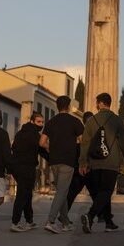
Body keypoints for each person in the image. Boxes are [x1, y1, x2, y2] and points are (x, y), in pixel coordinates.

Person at [79, 93, 124, 234]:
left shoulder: (91, 121)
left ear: (100, 103)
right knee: (106, 191)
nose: (96, 105)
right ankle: (90, 216)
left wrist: (83, 163)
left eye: (97, 102)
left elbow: (85, 144)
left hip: (95, 163)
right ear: (109, 103)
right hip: (111, 162)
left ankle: (108, 222)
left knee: (103, 192)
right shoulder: (116, 120)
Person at [39, 96, 84, 234]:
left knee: (62, 190)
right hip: (68, 160)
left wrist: (50, 147)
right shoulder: (75, 121)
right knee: (62, 191)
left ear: (57, 106)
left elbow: (41, 142)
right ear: (69, 106)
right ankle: (50, 221)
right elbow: (82, 141)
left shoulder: (51, 122)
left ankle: (65, 222)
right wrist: (71, 145)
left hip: (54, 161)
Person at [9, 112, 48, 232]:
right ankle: (15, 223)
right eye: (38, 122)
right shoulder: (35, 135)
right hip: (26, 168)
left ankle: (29, 220)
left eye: (42, 122)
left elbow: (14, 148)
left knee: (27, 193)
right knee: (22, 194)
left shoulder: (20, 133)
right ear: (32, 121)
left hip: (16, 167)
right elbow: (43, 151)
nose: (41, 124)